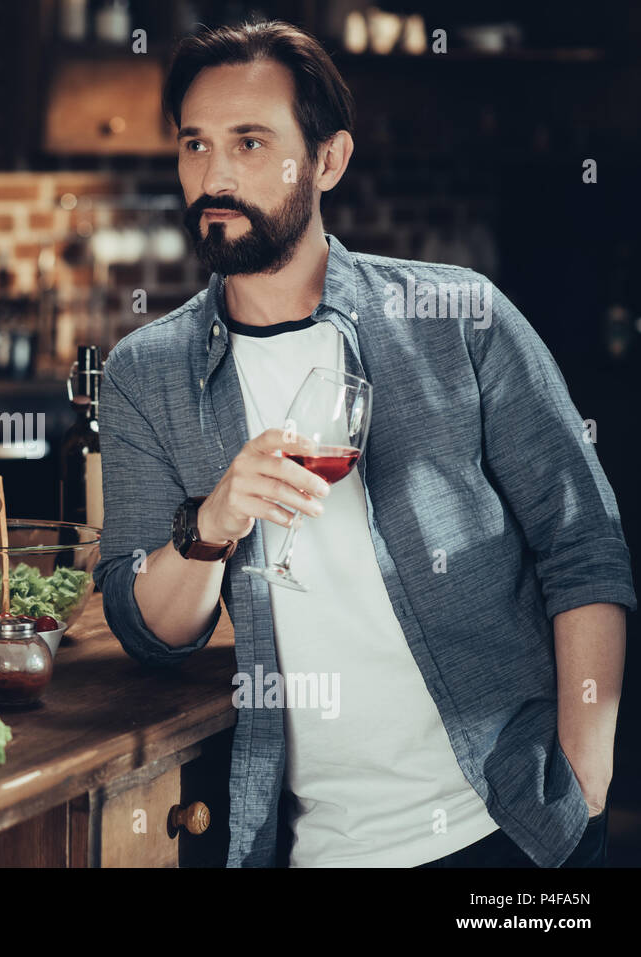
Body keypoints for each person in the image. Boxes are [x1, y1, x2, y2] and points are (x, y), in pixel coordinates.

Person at [92, 19, 633, 867]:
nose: (215, 174)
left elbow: (582, 542)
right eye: (195, 144)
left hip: (510, 822)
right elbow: (149, 625)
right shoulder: (143, 373)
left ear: (328, 161)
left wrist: (585, 773)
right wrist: (211, 522)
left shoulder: (459, 316)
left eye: (250, 142)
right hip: (315, 845)